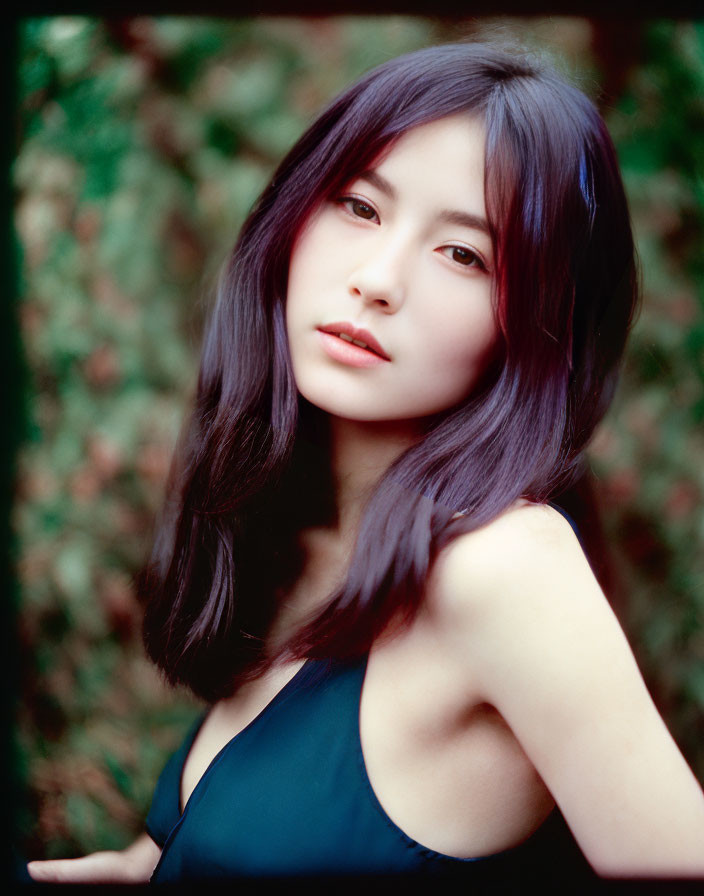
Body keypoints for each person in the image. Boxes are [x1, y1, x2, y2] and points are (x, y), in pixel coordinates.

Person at [26, 40, 704, 883]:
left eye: (465, 254)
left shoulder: (505, 569)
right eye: (358, 205)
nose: (378, 279)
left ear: (538, 329)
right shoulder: (297, 545)